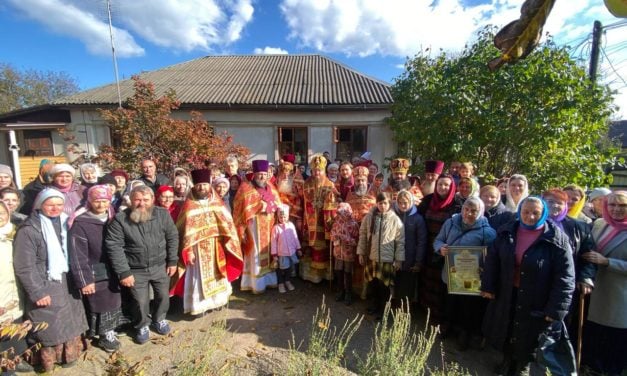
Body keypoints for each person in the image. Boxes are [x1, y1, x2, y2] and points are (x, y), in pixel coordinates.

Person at [481, 197, 575, 376]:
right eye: (526, 212)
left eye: (535, 213)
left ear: (543, 214)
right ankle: (507, 360)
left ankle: (522, 366)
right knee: (507, 327)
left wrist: (556, 309)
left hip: (537, 296)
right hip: (508, 291)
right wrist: (489, 286)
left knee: (529, 334)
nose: (530, 216)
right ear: (519, 211)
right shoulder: (507, 231)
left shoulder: (557, 239)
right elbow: (492, 260)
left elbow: (565, 277)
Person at [13, 189, 89, 372]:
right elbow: (24, 266)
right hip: (45, 281)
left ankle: (69, 355)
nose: (55, 208)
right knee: (50, 324)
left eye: (59, 204)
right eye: (50, 204)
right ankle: (48, 361)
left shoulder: (66, 221)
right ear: (40, 205)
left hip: (66, 279)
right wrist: (37, 291)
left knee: (69, 320)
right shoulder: (30, 229)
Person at [105, 185, 179, 344]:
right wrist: (124, 272)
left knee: (163, 295)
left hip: (160, 265)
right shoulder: (120, 219)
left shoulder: (162, 214)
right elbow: (113, 246)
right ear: (130, 200)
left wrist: (173, 260)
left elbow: (172, 237)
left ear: (152, 200)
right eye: (137, 199)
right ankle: (142, 325)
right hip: (135, 269)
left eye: (146, 200)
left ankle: (159, 319)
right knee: (140, 301)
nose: (141, 203)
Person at [170, 169, 243, 315]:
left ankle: (217, 302)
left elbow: (227, 223)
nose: (202, 188)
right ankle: (200, 306)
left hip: (217, 246)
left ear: (209, 185)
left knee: (218, 274)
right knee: (198, 277)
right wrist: (188, 251)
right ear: (194, 186)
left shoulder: (217, 203)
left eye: (204, 184)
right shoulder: (188, 206)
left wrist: (227, 240)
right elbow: (183, 232)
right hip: (197, 250)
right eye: (199, 185)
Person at [434, 197, 496, 350]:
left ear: (480, 212)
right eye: (466, 209)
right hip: (450, 272)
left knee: (467, 307)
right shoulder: (450, 223)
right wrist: (441, 248)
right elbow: (438, 240)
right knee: (449, 303)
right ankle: (446, 327)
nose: (468, 213)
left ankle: (464, 333)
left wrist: (484, 260)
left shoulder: (487, 232)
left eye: (473, 211)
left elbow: (492, 258)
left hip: (471, 277)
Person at [68, 185, 122, 353]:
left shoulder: (114, 218)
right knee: (101, 304)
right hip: (94, 271)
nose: (101, 205)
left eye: (104, 201)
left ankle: (111, 330)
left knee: (114, 301)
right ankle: (105, 335)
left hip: (113, 267)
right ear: (89, 201)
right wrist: (84, 280)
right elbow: (77, 256)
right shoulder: (81, 223)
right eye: (97, 201)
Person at [580, 191, 627, 375]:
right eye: (612, 205)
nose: (616, 209)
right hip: (594, 291)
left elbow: (603, 258)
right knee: (594, 341)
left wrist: (608, 262)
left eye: (622, 206)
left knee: (614, 344)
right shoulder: (599, 224)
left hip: (619, 297)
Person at [417, 174, 460, 325]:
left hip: (445, 250)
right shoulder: (428, 201)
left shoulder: (457, 205)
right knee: (426, 281)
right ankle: (426, 313)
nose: (443, 187)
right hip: (427, 246)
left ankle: (439, 318)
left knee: (441, 285)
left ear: (452, 187)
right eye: (440, 184)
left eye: (446, 185)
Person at [233, 160, 282, 293]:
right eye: (259, 174)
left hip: (270, 224)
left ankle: (269, 281)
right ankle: (255, 284)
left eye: (264, 174)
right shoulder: (245, 188)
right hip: (253, 227)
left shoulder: (271, 186)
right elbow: (238, 208)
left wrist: (277, 208)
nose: (262, 177)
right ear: (254, 174)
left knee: (269, 252)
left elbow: (278, 202)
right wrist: (260, 206)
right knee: (255, 253)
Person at [357, 192, 404, 320]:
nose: (382, 206)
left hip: (387, 259)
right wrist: (361, 252)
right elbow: (363, 235)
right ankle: (375, 305)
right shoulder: (369, 217)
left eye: (385, 203)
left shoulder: (395, 220)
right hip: (372, 257)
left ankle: (384, 311)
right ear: (376, 203)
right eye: (380, 203)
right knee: (373, 284)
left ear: (389, 204)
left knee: (385, 287)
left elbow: (400, 241)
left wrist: (399, 260)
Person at [0, 201, 34, 374]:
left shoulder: (15, 232)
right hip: (1, 290)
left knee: (18, 321)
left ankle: (17, 357)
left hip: (16, 286)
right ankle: (6, 365)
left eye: (2, 213)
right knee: (3, 326)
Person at [301, 154, 338, 283]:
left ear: (324, 170)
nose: (317, 172)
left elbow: (334, 204)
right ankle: (313, 275)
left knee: (324, 246)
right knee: (311, 246)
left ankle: (325, 274)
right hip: (310, 220)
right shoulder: (306, 184)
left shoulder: (330, 185)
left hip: (324, 220)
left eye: (320, 170)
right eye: (315, 170)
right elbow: (303, 202)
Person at [393, 189, 427, 306]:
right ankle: (394, 307)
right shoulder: (393, 215)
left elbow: (421, 241)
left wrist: (418, 261)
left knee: (407, 285)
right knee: (395, 283)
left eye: (405, 203)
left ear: (411, 202)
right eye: (400, 202)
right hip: (394, 257)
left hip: (410, 258)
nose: (403, 205)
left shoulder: (417, 219)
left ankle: (405, 310)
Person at [330, 203, 360, 305]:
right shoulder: (336, 223)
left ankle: (348, 293)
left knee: (348, 273)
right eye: (339, 213)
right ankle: (340, 291)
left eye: (343, 213)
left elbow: (356, 241)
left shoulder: (353, 224)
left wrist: (346, 238)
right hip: (338, 253)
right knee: (338, 272)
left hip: (348, 254)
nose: (341, 215)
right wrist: (335, 237)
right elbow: (332, 235)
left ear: (348, 212)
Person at [271, 205, 302, 294]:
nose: (283, 219)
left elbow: (295, 237)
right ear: (278, 216)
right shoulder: (276, 228)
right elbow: (273, 242)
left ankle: (288, 281)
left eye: (285, 217)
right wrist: (274, 254)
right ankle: (281, 283)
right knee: (281, 269)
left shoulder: (291, 225)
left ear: (288, 216)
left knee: (289, 268)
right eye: (281, 217)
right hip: (281, 253)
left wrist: (298, 248)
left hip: (291, 252)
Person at [275, 155, 305, 235]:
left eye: (288, 172)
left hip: (294, 209)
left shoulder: (297, 178)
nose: (285, 175)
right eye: (283, 172)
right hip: (281, 208)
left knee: (293, 230)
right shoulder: (278, 179)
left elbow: (302, 194)